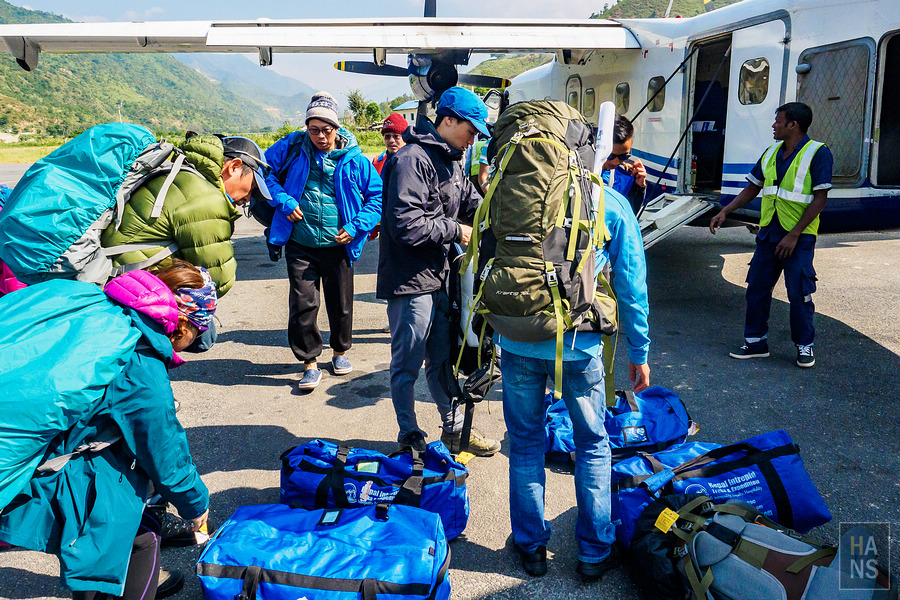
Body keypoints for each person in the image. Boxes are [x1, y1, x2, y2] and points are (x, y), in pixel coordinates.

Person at [0, 259, 214, 600]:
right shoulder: (139, 360)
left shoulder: (93, 301)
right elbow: (164, 450)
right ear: (184, 324)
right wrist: (196, 506)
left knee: (104, 536)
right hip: (47, 467)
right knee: (139, 533)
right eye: (199, 331)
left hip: (38, 443)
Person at [497, 152, 651, 580]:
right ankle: (594, 551)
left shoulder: (515, 188)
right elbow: (631, 282)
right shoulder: (606, 200)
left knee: (525, 443)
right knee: (592, 445)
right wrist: (639, 351)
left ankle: (530, 546)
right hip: (577, 345)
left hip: (517, 336)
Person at [377, 86, 501, 457]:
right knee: (407, 364)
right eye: (471, 130)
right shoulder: (411, 160)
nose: (473, 140)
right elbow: (405, 224)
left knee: (441, 360)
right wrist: (456, 230)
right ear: (448, 121)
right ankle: (408, 434)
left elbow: (473, 206)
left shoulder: (453, 161)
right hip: (410, 281)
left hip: (440, 278)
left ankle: (455, 431)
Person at [263, 92, 383, 390]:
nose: (320, 136)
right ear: (306, 127)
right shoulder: (291, 147)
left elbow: (377, 197)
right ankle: (310, 363)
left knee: (341, 305)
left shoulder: (355, 158)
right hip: (300, 243)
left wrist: (356, 227)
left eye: (326, 130)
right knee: (303, 305)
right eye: (313, 129)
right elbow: (263, 172)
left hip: (339, 245)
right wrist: (284, 201)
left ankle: (340, 352)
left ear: (336, 128)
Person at [709, 102, 832, 368]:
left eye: (778, 121)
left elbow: (820, 198)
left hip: (798, 237)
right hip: (768, 234)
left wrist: (794, 235)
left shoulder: (817, 153)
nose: (774, 125)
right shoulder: (771, 152)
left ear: (793, 125)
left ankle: (804, 345)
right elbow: (752, 188)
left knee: (799, 293)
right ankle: (756, 343)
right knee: (756, 288)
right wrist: (725, 211)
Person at [101, 134, 273, 296]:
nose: (249, 198)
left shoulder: (184, 175)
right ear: (234, 167)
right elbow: (219, 281)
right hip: (135, 291)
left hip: (117, 279)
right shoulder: (205, 196)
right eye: (252, 188)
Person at [602, 115, 648, 214]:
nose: (615, 162)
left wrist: (639, 188)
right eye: (610, 155)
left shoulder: (626, 176)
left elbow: (630, 215)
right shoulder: (582, 170)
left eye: (623, 156)